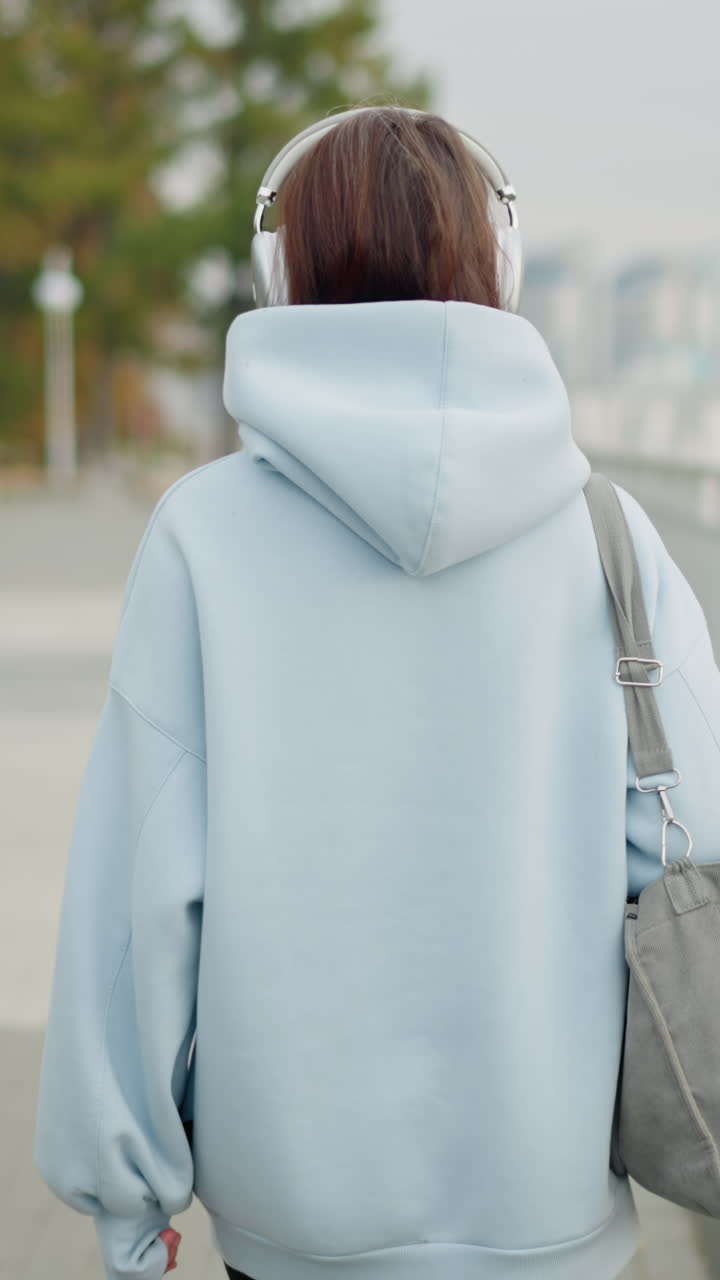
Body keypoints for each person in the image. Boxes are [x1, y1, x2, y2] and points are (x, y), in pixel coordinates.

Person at [34, 105, 720, 1280]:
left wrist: (127, 1199)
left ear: (280, 267)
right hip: (552, 1215)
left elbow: (135, 900)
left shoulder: (204, 536)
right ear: (495, 262)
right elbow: (691, 839)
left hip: (293, 1226)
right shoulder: (610, 533)